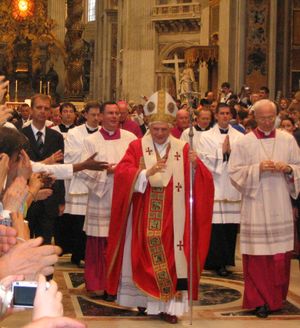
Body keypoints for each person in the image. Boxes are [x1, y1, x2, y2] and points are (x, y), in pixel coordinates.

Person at [106, 90, 214, 323]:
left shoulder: (182, 148)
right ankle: (146, 302)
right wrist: (144, 173)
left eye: (164, 130)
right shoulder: (137, 147)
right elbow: (122, 174)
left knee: (174, 260)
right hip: (144, 213)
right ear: (148, 125)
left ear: (172, 127)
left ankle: (169, 307)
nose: (160, 134)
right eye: (155, 129)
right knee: (142, 258)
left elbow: (202, 182)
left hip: (175, 218)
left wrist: (196, 167)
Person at [228, 99, 300, 318]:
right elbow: (234, 173)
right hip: (256, 204)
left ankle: (276, 299)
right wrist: (257, 169)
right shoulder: (244, 142)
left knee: (279, 256)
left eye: (271, 118)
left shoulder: (288, 140)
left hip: (279, 202)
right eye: (262, 118)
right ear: (255, 118)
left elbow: (298, 166)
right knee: (258, 256)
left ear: (276, 116)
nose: (267, 122)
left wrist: (288, 168)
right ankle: (259, 300)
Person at [80, 101, 136, 296]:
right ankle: (100, 283)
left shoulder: (130, 139)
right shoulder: (91, 140)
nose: (114, 116)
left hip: (124, 197)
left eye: (117, 113)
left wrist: (122, 172)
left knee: (121, 241)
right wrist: (107, 172)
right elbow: (84, 170)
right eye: (109, 113)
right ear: (101, 117)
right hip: (101, 197)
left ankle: (120, 283)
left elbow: (138, 165)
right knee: (100, 242)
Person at [196, 103, 243, 276]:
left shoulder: (239, 136)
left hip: (231, 184)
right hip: (214, 184)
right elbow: (202, 159)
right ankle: (214, 261)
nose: (224, 116)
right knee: (215, 226)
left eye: (227, 113)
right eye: (221, 113)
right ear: (216, 116)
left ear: (231, 115)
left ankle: (227, 260)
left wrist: (231, 153)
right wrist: (220, 153)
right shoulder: (206, 136)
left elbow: (243, 158)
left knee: (230, 226)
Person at [60, 101, 102, 267]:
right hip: (79, 182)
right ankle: (77, 254)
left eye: (99, 115)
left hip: (97, 183)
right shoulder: (74, 133)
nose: (96, 118)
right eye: (93, 115)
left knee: (92, 221)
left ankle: (89, 255)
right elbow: (69, 156)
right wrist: (90, 154)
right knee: (78, 223)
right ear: (85, 115)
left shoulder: (103, 133)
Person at [22, 94, 65, 245]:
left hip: (49, 198)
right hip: (27, 197)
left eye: (46, 108)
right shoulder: (21, 135)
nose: (42, 111)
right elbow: (21, 168)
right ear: (31, 110)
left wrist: (61, 200)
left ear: (50, 112)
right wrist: (48, 161)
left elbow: (61, 170)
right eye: (39, 107)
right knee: (24, 243)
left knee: (45, 244)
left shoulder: (56, 137)